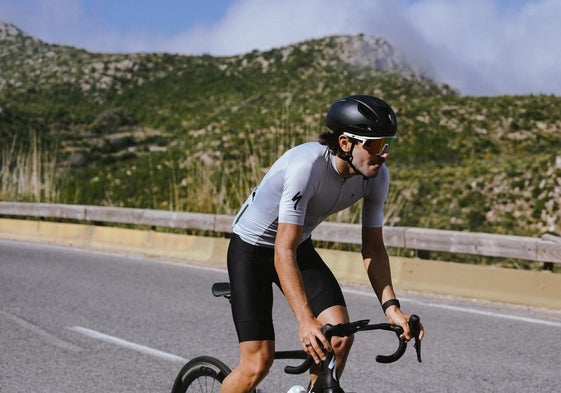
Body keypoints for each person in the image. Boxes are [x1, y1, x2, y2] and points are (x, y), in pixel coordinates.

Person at [221, 95, 424, 393]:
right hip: (252, 251)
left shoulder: (375, 176)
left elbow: (374, 249)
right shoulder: (306, 167)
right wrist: (306, 320)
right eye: (376, 145)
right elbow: (282, 249)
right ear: (345, 143)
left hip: (297, 247)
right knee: (257, 364)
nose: (384, 155)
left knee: (339, 338)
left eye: (387, 144)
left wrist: (392, 308)